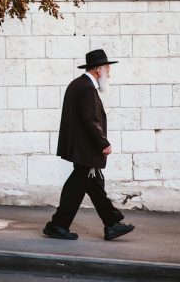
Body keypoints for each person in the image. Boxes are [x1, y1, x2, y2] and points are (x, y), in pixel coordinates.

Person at [43, 49, 134, 241]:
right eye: (107, 70)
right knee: (77, 186)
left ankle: (111, 224)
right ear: (99, 70)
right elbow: (90, 119)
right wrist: (103, 143)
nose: (109, 74)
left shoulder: (80, 84)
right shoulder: (85, 88)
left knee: (92, 185)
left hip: (83, 148)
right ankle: (59, 225)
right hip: (86, 149)